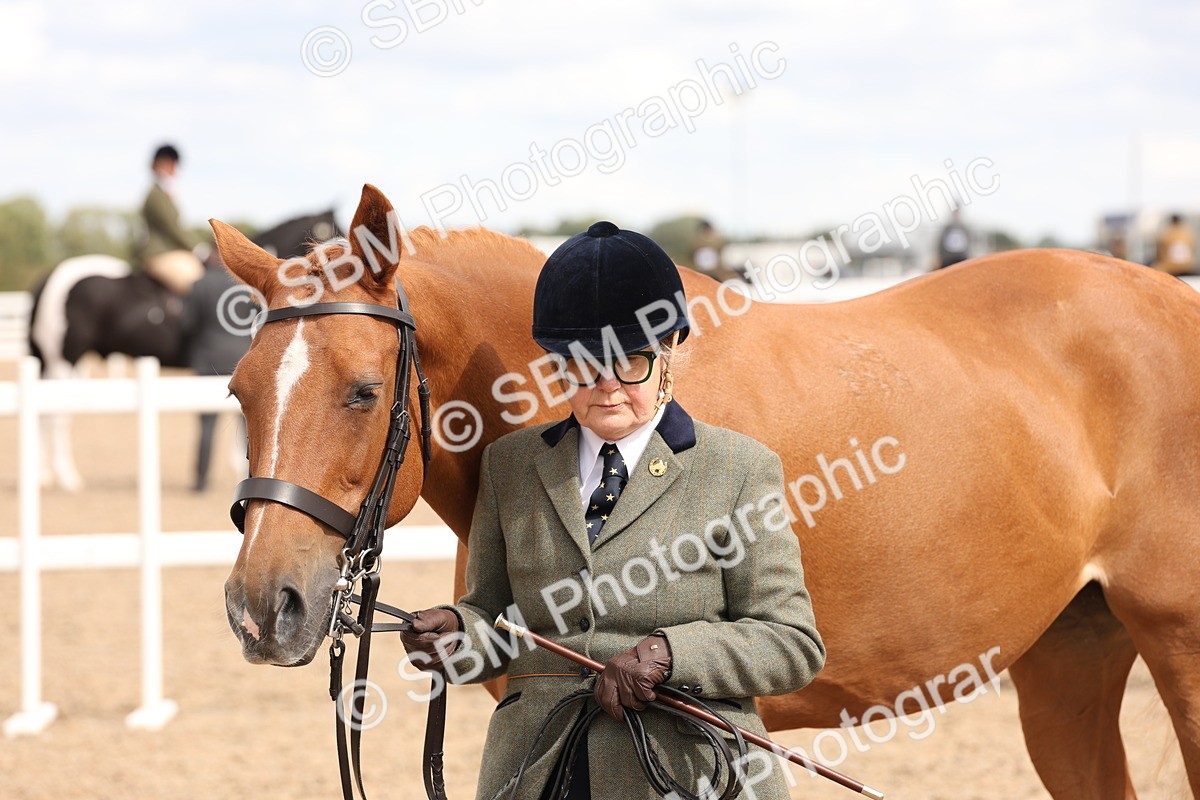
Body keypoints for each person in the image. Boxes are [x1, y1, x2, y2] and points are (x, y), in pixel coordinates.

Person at [401, 222, 825, 800]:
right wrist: (458, 635)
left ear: (669, 348)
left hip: (684, 770)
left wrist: (671, 654)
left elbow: (792, 644)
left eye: (630, 363)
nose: (606, 388)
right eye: (580, 365)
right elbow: (495, 623)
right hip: (540, 770)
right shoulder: (510, 467)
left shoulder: (739, 469)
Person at [180, 252, 250, 492]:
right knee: (250, 427)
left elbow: (186, 324)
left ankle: (201, 482)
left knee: (207, 425)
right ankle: (251, 478)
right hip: (244, 359)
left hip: (208, 361)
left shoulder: (200, 284)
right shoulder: (246, 282)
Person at [135, 144, 204, 294]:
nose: (173, 168)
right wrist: (198, 249)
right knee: (198, 285)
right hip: (159, 254)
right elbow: (173, 227)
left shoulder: (165, 193)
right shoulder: (156, 194)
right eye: (169, 164)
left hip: (172, 252)